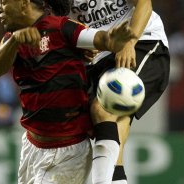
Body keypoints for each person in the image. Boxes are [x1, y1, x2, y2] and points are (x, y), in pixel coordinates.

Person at [0, 0, 136, 183]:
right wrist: (14, 41)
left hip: (66, 152)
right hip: (32, 145)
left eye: (4, 2)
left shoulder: (62, 28)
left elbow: (100, 39)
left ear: (24, 3)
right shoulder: (11, 38)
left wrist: (112, 40)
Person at [68, 0, 170, 183]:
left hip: (143, 40)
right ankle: (116, 180)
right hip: (99, 55)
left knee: (103, 109)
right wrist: (79, 47)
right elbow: (64, 26)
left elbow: (144, 4)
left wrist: (130, 41)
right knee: (111, 122)